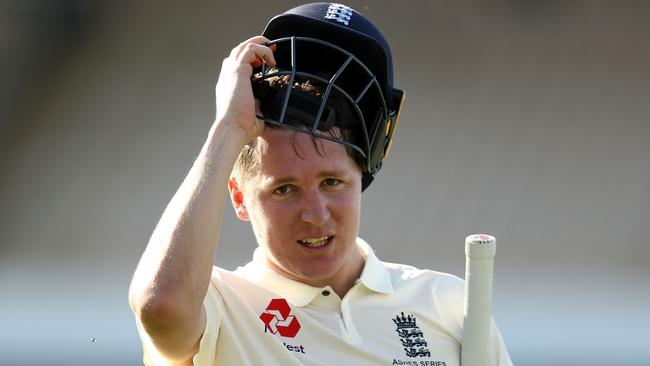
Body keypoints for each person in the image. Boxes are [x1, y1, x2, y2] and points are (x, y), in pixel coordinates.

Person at [129, 3, 513, 365]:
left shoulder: (447, 304)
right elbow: (161, 308)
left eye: (331, 182)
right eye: (284, 189)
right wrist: (228, 128)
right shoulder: (222, 307)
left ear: (360, 175)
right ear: (239, 198)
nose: (315, 214)